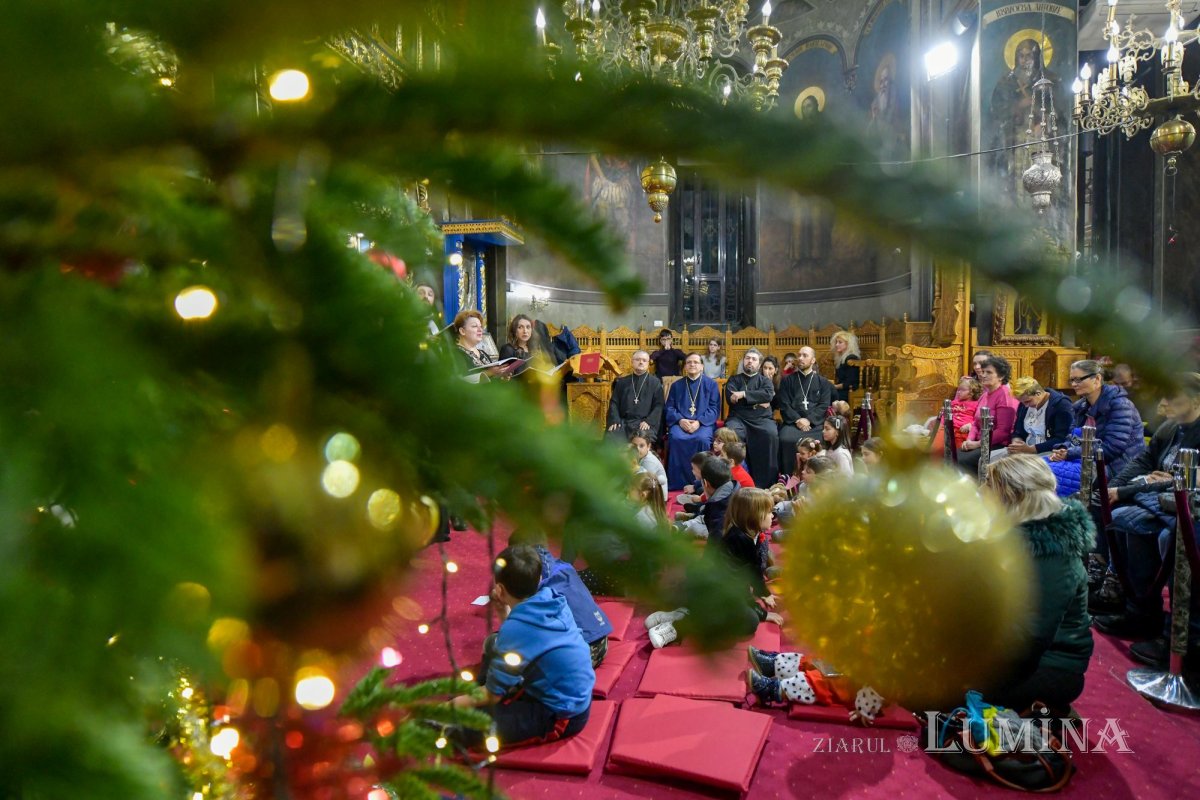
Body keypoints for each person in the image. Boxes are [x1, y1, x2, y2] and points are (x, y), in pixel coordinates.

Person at [1093, 373, 1200, 663]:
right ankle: (1139, 613)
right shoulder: (1170, 427)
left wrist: (1132, 489)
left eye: (1171, 397)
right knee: (1126, 520)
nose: (1163, 403)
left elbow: (1184, 481)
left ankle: (1181, 638)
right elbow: (1144, 461)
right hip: (1160, 501)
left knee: (1169, 537)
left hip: (1186, 511)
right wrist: (1116, 487)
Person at [449, 545, 593, 750]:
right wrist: (503, 614)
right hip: (564, 692)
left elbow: (493, 694)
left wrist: (449, 706)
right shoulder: (551, 596)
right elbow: (523, 638)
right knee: (494, 644)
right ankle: (477, 696)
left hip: (561, 715)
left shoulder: (517, 629)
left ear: (499, 589)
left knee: (465, 726)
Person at [981, 456, 1094, 713]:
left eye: (987, 484)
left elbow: (1027, 638)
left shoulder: (1050, 554)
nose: (980, 491)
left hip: (1050, 667)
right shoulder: (1019, 537)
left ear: (1010, 495)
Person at [645, 487, 782, 649]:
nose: (772, 515)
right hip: (714, 591)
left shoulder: (751, 534)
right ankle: (676, 627)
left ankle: (682, 613)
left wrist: (763, 594)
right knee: (749, 622)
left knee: (744, 615)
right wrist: (763, 613)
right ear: (753, 515)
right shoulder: (737, 539)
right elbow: (739, 583)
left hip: (722, 591)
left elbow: (752, 573)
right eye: (768, 512)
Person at [507, 530, 614, 669]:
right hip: (603, 641)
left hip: (583, 653)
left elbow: (521, 629)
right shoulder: (564, 565)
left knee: (508, 648)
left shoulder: (534, 580)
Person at [1048, 359, 1145, 481]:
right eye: (1072, 380)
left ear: (1097, 379)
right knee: (1038, 465)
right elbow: (1073, 438)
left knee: (1050, 473)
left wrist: (1071, 453)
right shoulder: (1080, 406)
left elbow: (1111, 449)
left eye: (1078, 379)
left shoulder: (1121, 405)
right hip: (1086, 458)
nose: (1073, 384)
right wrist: (1063, 449)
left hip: (1117, 466)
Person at [664, 352, 721, 490]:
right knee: (676, 438)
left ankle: (701, 483)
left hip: (703, 424)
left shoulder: (711, 384)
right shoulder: (677, 385)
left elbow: (714, 408)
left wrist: (699, 422)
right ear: (685, 367)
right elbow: (669, 407)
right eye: (689, 362)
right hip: (681, 423)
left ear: (702, 366)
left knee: (702, 439)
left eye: (696, 362)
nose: (692, 364)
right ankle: (677, 482)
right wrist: (680, 420)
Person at [724, 348, 779, 488]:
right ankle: (733, 481)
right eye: (748, 358)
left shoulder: (765, 381)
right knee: (732, 433)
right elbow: (731, 399)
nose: (750, 361)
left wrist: (743, 394)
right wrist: (757, 399)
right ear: (743, 361)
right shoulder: (734, 379)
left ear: (759, 364)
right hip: (738, 418)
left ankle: (765, 484)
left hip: (761, 419)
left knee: (770, 434)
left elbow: (768, 395)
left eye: (754, 359)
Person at [777, 346, 834, 470]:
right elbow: (784, 404)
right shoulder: (787, 380)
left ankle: (817, 475)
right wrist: (798, 420)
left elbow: (824, 404)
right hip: (793, 424)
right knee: (785, 439)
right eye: (799, 355)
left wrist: (809, 420)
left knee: (819, 440)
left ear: (813, 360)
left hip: (814, 424)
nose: (800, 358)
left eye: (805, 355)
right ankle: (789, 477)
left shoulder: (823, 382)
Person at [958, 355, 1018, 472]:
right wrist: (969, 440)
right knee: (952, 456)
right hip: (980, 443)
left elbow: (1003, 432)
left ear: (1001, 376)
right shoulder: (985, 395)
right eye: (983, 371)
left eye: (989, 372)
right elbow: (976, 423)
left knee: (962, 461)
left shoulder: (1005, 396)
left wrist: (977, 444)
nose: (983, 375)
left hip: (998, 444)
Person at [993, 377, 1073, 460]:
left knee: (1019, 466)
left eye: (1028, 401)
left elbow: (1061, 439)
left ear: (1038, 393)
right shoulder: (1024, 405)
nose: (1026, 406)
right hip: (1025, 449)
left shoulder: (1061, 405)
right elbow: (1018, 431)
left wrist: (1031, 449)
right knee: (990, 458)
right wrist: (1016, 443)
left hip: (1048, 450)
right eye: (1022, 402)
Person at [606, 350, 663, 442]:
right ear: (632, 362)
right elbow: (614, 403)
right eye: (638, 360)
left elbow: (659, 405)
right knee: (612, 435)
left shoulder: (655, 383)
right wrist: (615, 419)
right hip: (623, 422)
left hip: (643, 423)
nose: (641, 362)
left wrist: (649, 421)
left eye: (644, 360)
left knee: (642, 438)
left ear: (648, 363)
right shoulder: (622, 382)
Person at [454, 309, 506, 383]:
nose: (480, 330)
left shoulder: (483, 353)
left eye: (481, 327)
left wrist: (501, 376)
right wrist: (488, 373)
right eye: (474, 326)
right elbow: (459, 382)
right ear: (462, 331)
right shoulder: (455, 353)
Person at [631, 432, 668, 502]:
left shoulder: (649, 461)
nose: (638, 449)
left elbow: (644, 484)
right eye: (634, 446)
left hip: (656, 501)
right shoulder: (636, 457)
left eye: (641, 446)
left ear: (648, 446)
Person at [831, 330, 861, 404]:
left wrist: (834, 387)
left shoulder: (851, 358)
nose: (837, 344)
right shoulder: (841, 358)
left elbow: (850, 382)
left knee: (826, 395)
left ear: (848, 344)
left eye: (840, 342)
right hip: (843, 389)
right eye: (836, 342)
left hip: (850, 390)